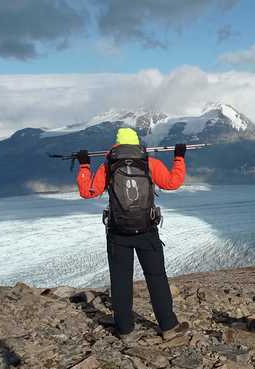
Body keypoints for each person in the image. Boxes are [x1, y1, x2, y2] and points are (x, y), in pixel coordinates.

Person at [75, 127, 189, 342]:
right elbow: (172, 183)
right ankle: (168, 327)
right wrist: (179, 158)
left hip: (118, 232)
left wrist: (83, 165)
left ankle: (125, 330)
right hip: (147, 230)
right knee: (156, 278)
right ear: (137, 144)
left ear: (115, 145)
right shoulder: (149, 163)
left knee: (120, 281)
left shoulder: (108, 165)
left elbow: (87, 192)